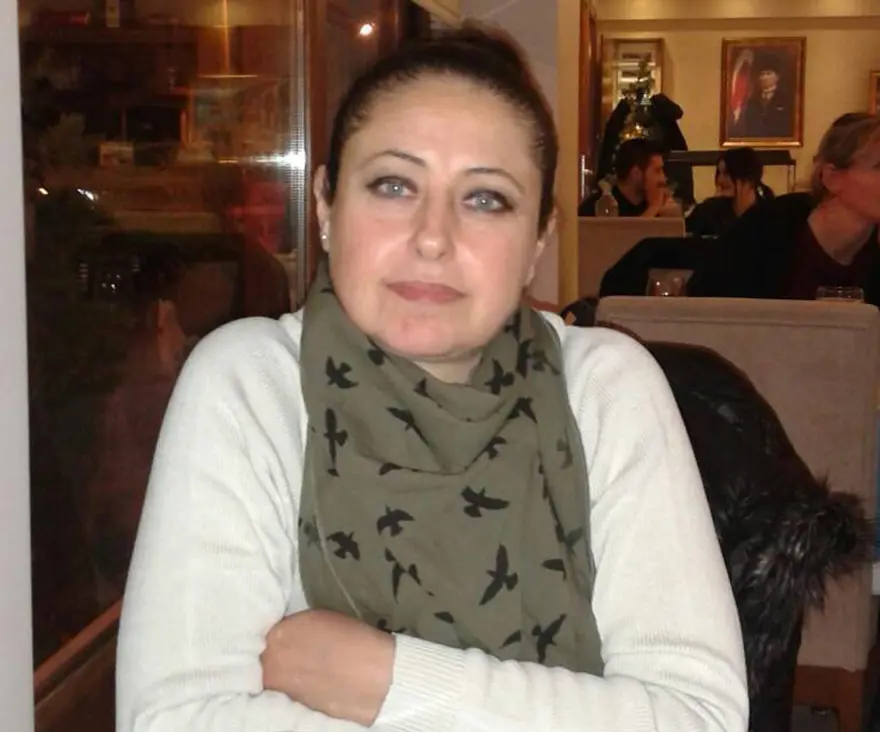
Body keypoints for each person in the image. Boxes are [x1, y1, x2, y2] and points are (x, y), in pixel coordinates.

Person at [117, 27, 748, 732]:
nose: (432, 238)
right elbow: (174, 720)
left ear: (539, 239)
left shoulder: (605, 390)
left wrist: (386, 680)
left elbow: (701, 718)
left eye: (485, 199)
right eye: (393, 186)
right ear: (326, 206)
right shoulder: (250, 386)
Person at [689, 112, 880, 304]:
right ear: (832, 177)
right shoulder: (766, 231)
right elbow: (701, 305)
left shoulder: (872, 255)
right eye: (878, 166)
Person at [578, 138, 677, 217]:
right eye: (657, 171)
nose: (663, 178)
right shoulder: (598, 207)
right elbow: (623, 236)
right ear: (636, 173)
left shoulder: (659, 205)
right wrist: (653, 208)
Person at [686, 147, 773, 238]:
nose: (720, 180)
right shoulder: (706, 213)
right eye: (719, 173)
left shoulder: (769, 214)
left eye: (726, 174)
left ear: (749, 180)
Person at [731, 51, 794, 140]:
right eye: (762, 74)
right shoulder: (752, 101)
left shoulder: (786, 100)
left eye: (768, 74)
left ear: (777, 77)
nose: (764, 78)